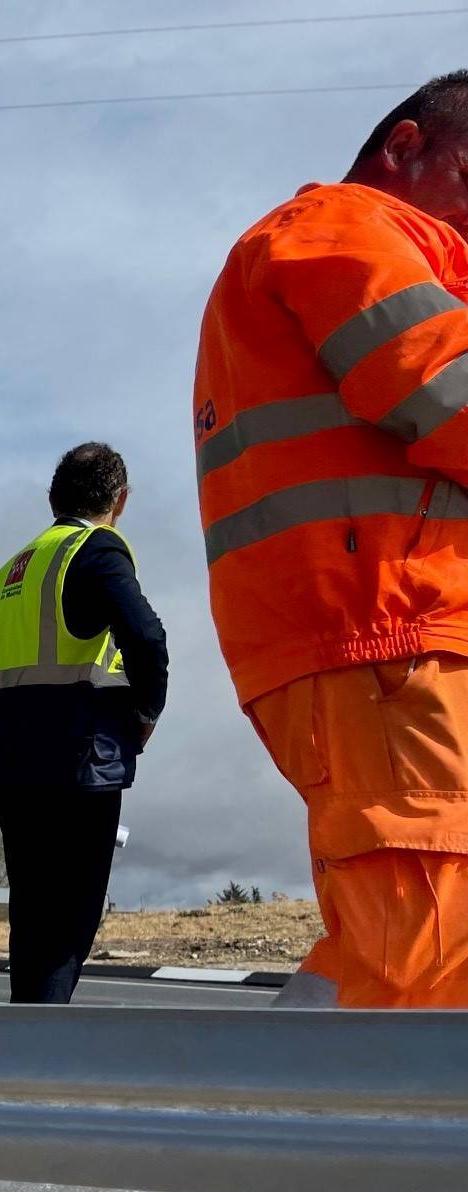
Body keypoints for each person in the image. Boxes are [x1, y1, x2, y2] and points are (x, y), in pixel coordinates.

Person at [197, 69, 468, 1007]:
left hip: (392, 637)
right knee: (419, 956)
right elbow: (443, 387)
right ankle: (274, 1141)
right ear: (406, 148)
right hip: (388, 638)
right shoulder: (340, 228)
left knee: (422, 948)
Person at [0, 443, 167, 1004]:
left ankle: (20, 1052)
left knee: (31, 925)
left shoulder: (12, 570)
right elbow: (147, 636)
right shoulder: (96, 549)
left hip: (8, 766)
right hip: (77, 765)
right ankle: (40, 1062)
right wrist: (146, 711)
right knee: (66, 932)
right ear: (120, 500)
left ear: (52, 499)